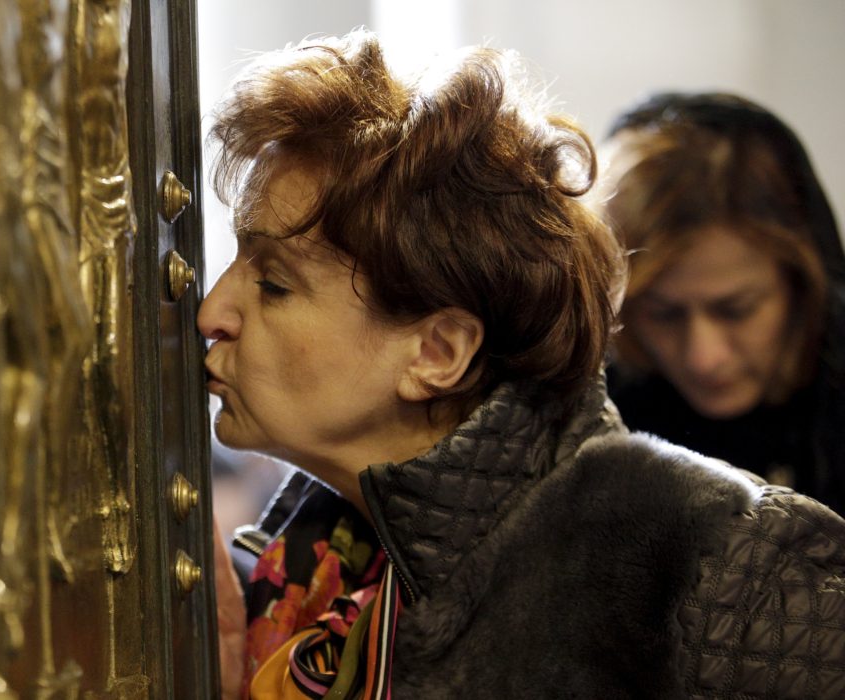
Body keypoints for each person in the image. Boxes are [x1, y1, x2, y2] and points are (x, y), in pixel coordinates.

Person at [199, 32, 845, 699]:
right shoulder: (316, 558)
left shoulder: (728, 562)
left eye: (273, 283)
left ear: (436, 353)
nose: (211, 311)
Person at [601, 92, 845, 515]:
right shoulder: (592, 413)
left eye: (737, 309)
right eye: (664, 314)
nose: (703, 358)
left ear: (803, 288)